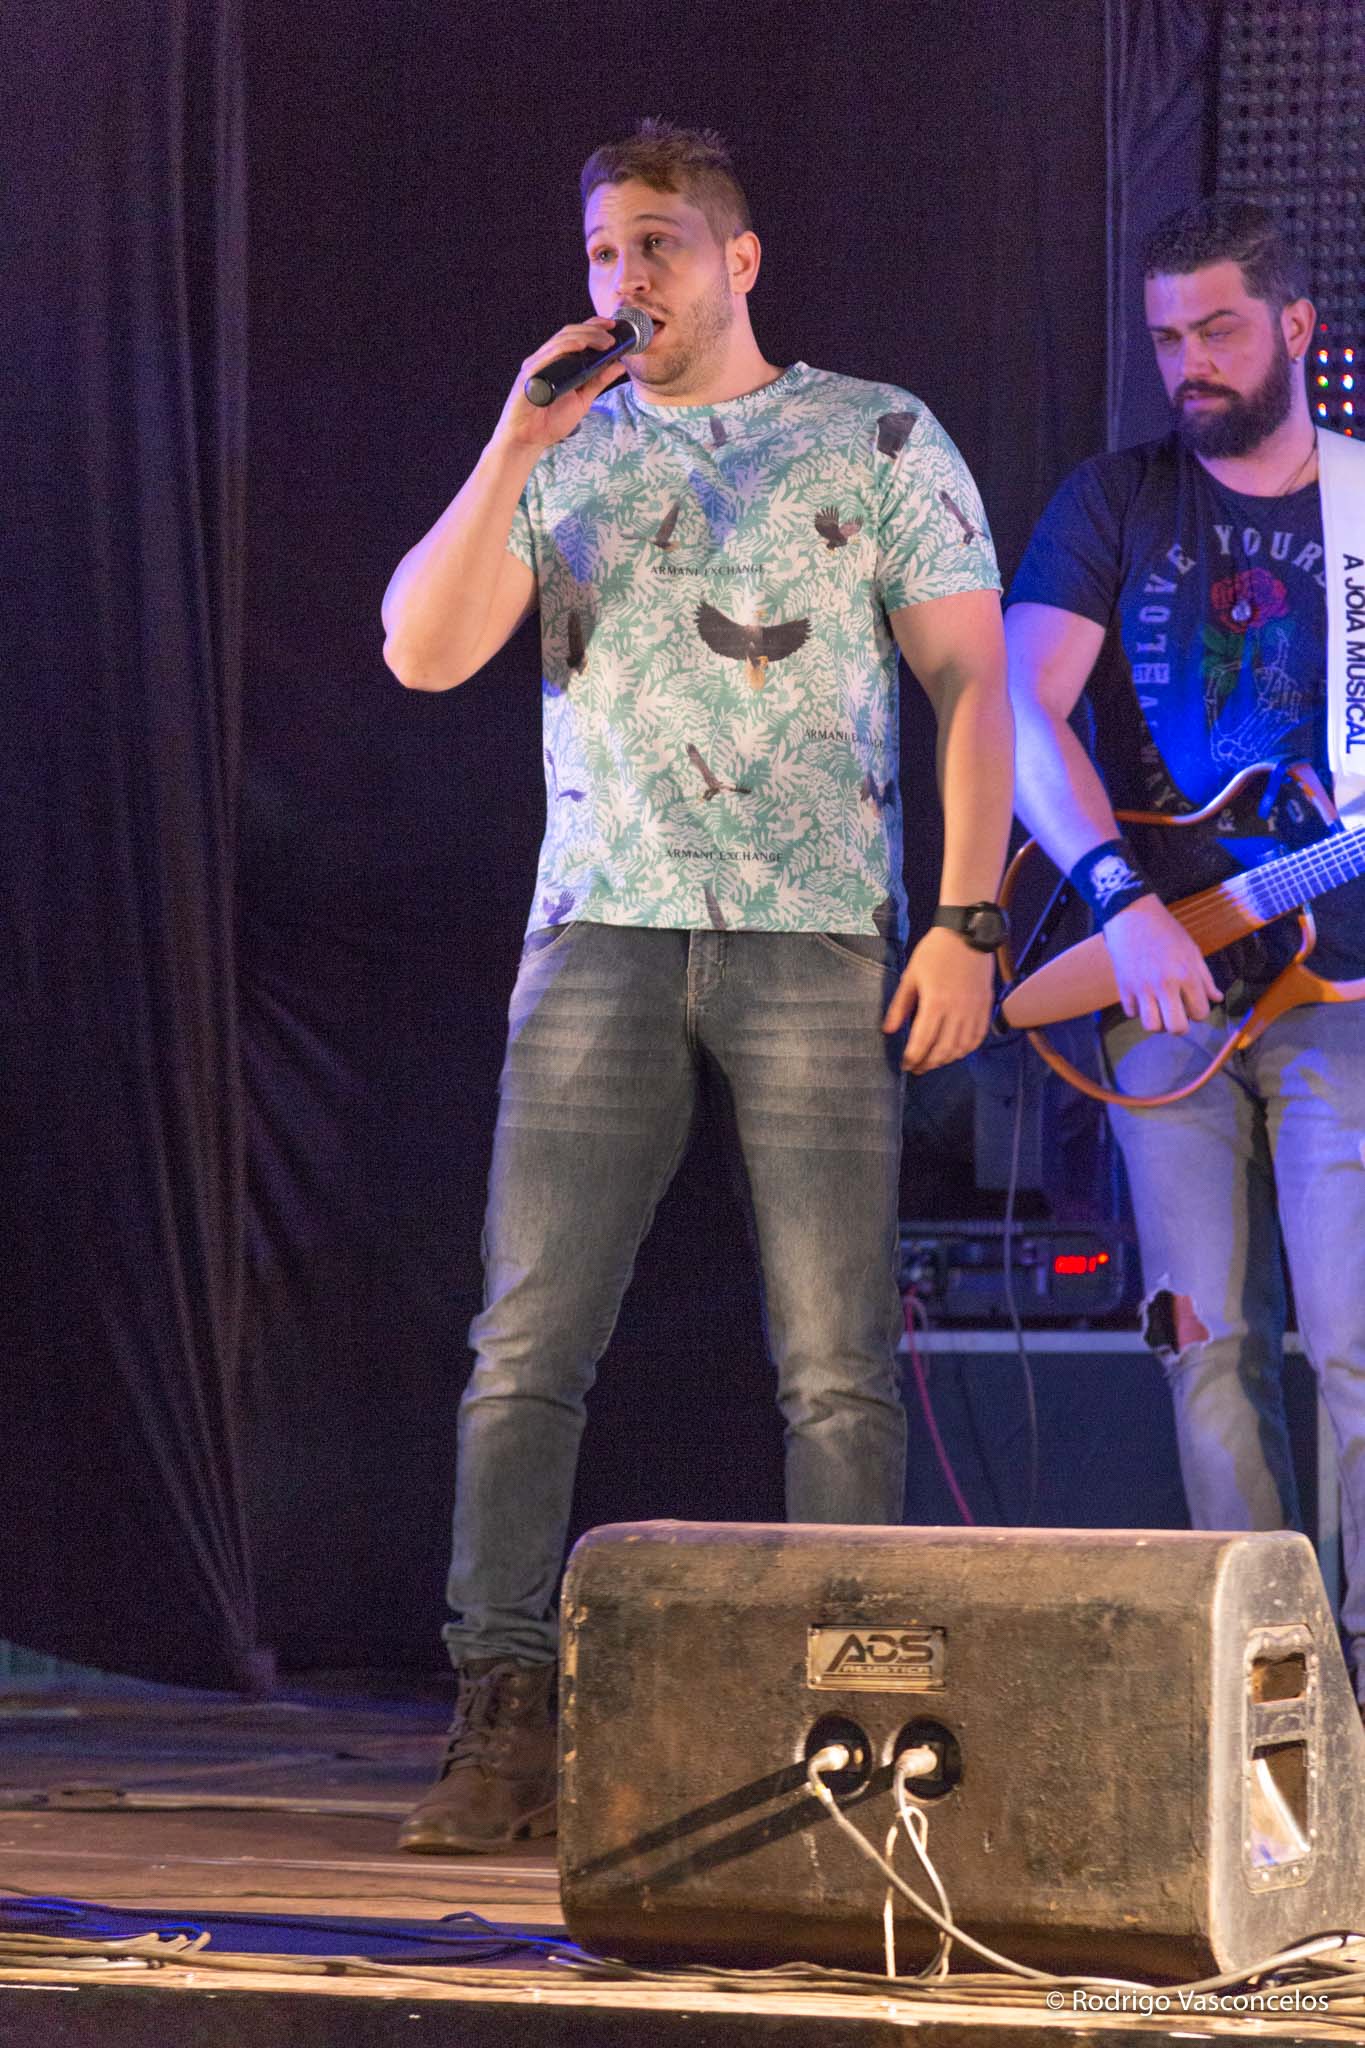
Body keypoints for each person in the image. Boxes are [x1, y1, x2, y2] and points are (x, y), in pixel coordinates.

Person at [382, 120, 1012, 1853]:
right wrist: (515, 440)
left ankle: (851, 1735)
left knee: (831, 1361)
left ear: (737, 260)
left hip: (815, 935)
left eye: (655, 243)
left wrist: (965, 921)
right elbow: (424, 651)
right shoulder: (565, 447)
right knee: (525, 1347)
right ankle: (502, 1713)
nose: (623, 279)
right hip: (599, 929)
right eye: (601, 251)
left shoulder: (876, 431)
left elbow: (973, 686)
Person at [1005, 196, 1365, 1704]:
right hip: (1159, 974)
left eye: (1218, 329)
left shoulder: (1361, 505)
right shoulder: (1115, 498)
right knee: (1202, 1342)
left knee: (1354, 1346)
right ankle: (1270, 1689)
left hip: (1343, 985)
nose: (1189, 363)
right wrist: (1119, 897)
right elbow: (1022, 709)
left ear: (1296, 327)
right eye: (1166, 337)